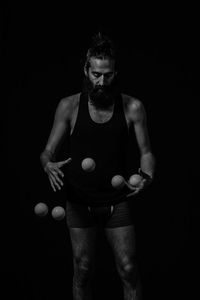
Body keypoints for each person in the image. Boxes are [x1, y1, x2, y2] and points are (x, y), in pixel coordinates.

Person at [40, 32, 155, 300]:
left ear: (115, 73)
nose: (101, 81)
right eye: (95, 74)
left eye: (108, 74)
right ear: (86, 70)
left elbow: (147, 152)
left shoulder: (132, 107)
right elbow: (46, 152)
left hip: (116, 200)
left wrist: (147, 175)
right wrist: (48, 166)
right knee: (83, 269)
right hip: (79, 202)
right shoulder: (68, 107)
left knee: (128, 268)